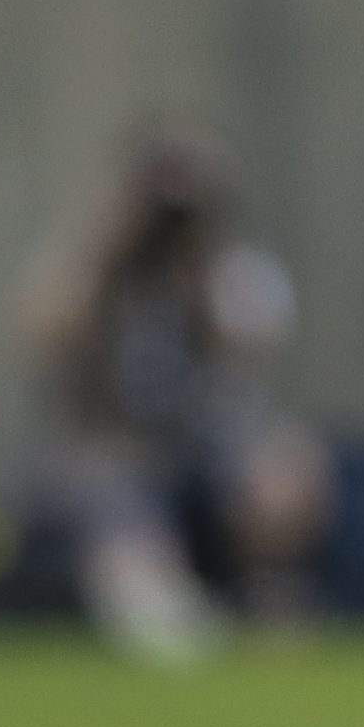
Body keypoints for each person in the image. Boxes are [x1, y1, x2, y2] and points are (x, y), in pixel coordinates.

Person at [25, 127, 333, 659]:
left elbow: (249, 345)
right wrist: (110, 247)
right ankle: (158, 608)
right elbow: (46, 334)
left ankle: (271, 594)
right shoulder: (94, 264)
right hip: (112, 449)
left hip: (212, 447)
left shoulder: (231, 267)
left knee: (282, 468)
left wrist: (197, 265)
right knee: (111, 486)